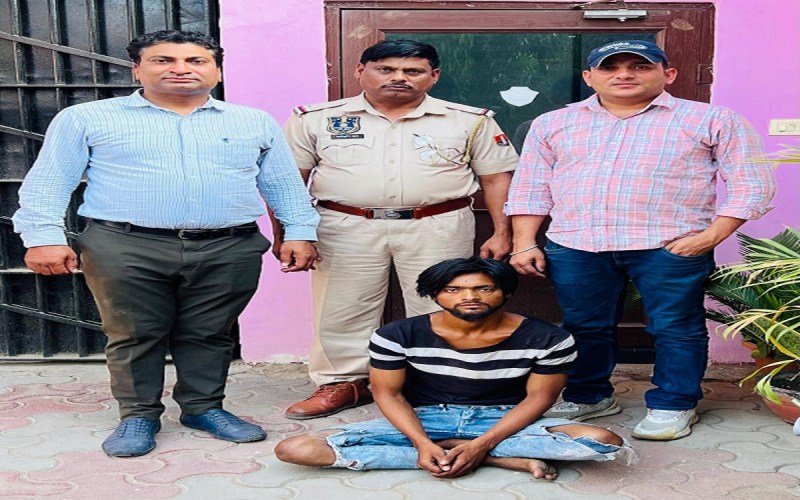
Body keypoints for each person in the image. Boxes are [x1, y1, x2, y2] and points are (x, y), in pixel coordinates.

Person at [12, 30, 320, 457]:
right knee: (134, 333)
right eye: (163, 60)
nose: (180, 69)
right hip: (125, 244)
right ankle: (138, 415)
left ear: (216, 71)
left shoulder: (252, 121)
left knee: (210, 332)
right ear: (137, 69)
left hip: (228, 245)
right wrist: (43, 237)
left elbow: (282, 184)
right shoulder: (87, 118)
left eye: (195, 61)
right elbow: (49, 181)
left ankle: (203, 407)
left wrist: (301, 231)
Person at [506, 40, 776, 440]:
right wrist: (525, 241)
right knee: (584, 326)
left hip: (670, 246)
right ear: (589, 77)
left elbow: (752, 183)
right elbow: (531, 186)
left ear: (668, 74)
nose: (624, 74)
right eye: (610, 67)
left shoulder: (712, 119)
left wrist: (712, 236)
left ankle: (674, 403)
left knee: (676, 327)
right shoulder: (553, 123)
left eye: (639, 66)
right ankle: (589, 395)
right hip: (578, 244)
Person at [280, 40, 519, 419]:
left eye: (413, 71)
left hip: (438, 223)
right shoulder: (316, 119)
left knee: (442, 302)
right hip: (344, 224)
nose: (399, 78)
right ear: (361, 71)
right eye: (386, 69)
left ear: (433, 76)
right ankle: (344, 381)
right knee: (342, 306)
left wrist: (502, 232)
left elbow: (496, 179)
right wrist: (293, 233)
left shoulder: (468, 120)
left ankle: (438, 379)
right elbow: (290, 180)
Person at [274, 257, 633, 478]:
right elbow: (388, 393)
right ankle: (494, 459)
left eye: (484, 289)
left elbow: (539, 399)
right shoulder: (396, 335)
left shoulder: (549, 338)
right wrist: (420, 441)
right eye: (453, 290)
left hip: (503, 418)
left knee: (602, 442)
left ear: (506, 293)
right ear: (435, 295)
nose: (469, 297)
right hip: (425, 418)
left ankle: (459, 451)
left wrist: (484, 441)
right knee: (296, 449)